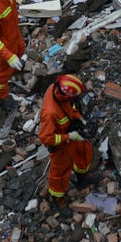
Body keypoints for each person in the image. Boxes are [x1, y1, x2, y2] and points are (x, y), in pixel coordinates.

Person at [38, 74, 95, 215]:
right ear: (64, 95)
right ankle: (57, 199)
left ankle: (82, 180)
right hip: (60, 144)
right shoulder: (50, 112)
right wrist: (68, 136)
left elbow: (69, 107)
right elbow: (46, 138)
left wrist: (79, 118)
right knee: (60, 173)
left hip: (70, 131)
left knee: (84, 150)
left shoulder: (56, 88)